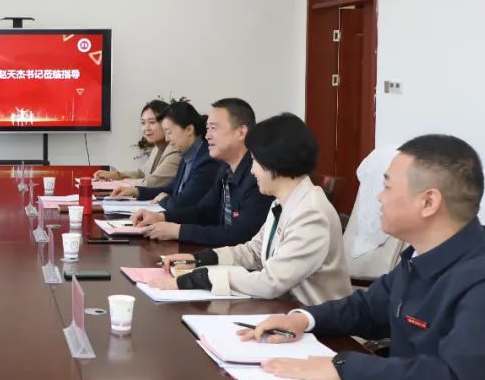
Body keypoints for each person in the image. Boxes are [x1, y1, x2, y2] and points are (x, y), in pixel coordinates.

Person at [246, 135, 485, 380]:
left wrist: (344, 366)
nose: (379, 197)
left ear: (428, 202)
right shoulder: (421, 255)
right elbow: (369, 308)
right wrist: (303, 318)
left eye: (388, 187)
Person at [147, 114, 352, 305]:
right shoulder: (281, 202)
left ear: (274, 162)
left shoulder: (311, 213)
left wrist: (203, 278)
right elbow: (254, 251)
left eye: (255, 161)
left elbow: (271, 282)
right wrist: (200, 259)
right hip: (283, 310)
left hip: (315, 321)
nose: (252, 170)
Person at [131, 98, 270, 247]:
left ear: (241, 132)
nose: (207, 135)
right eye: (207, 128)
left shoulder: (258, 176)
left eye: (213, 128)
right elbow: (204, 211)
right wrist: (161, 217)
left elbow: (241, 235)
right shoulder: (225, 169)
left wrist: (178, 231)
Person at [110, 101, 218, 206]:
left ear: (189, 129)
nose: (167, 138)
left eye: (169, 132)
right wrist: (137, 191)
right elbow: (170, 189)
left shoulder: (206, 160)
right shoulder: (186, 155)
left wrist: (164, 201)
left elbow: (184, 202)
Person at [94, 100, 180, 189]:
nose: (146, 128)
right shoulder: (157, 148)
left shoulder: (174, 150)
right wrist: (116, 175)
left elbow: (152, 183)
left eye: (152, 122)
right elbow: (142, 173)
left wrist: (126, 182)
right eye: (143, 123)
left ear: (167, 123)